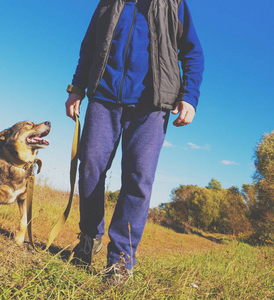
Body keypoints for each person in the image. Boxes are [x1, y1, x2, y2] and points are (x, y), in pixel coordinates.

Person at [65, 0, 204, 284]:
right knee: (90, 166)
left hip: (152, 105)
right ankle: (89, 237)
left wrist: (189, 95)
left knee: (138, 178)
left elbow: (193, 52)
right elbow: (89, 47)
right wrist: (77, 88)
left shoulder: (173, 4)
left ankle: (120, 261)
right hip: (104, 97)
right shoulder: (108, 4)